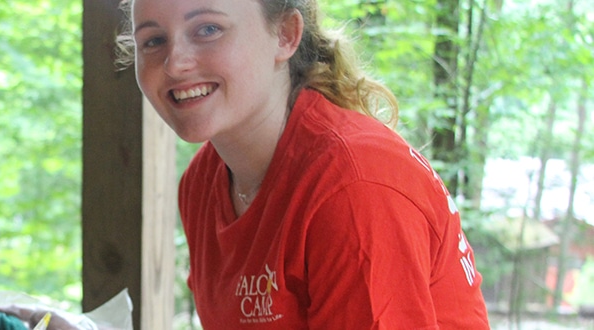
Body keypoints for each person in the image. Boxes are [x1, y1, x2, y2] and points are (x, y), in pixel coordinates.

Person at [118, 0, 491, 328]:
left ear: (285, 35)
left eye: (208, 29)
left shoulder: (352, 186)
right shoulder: (203, 180)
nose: (175, 63)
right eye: (152, 40)